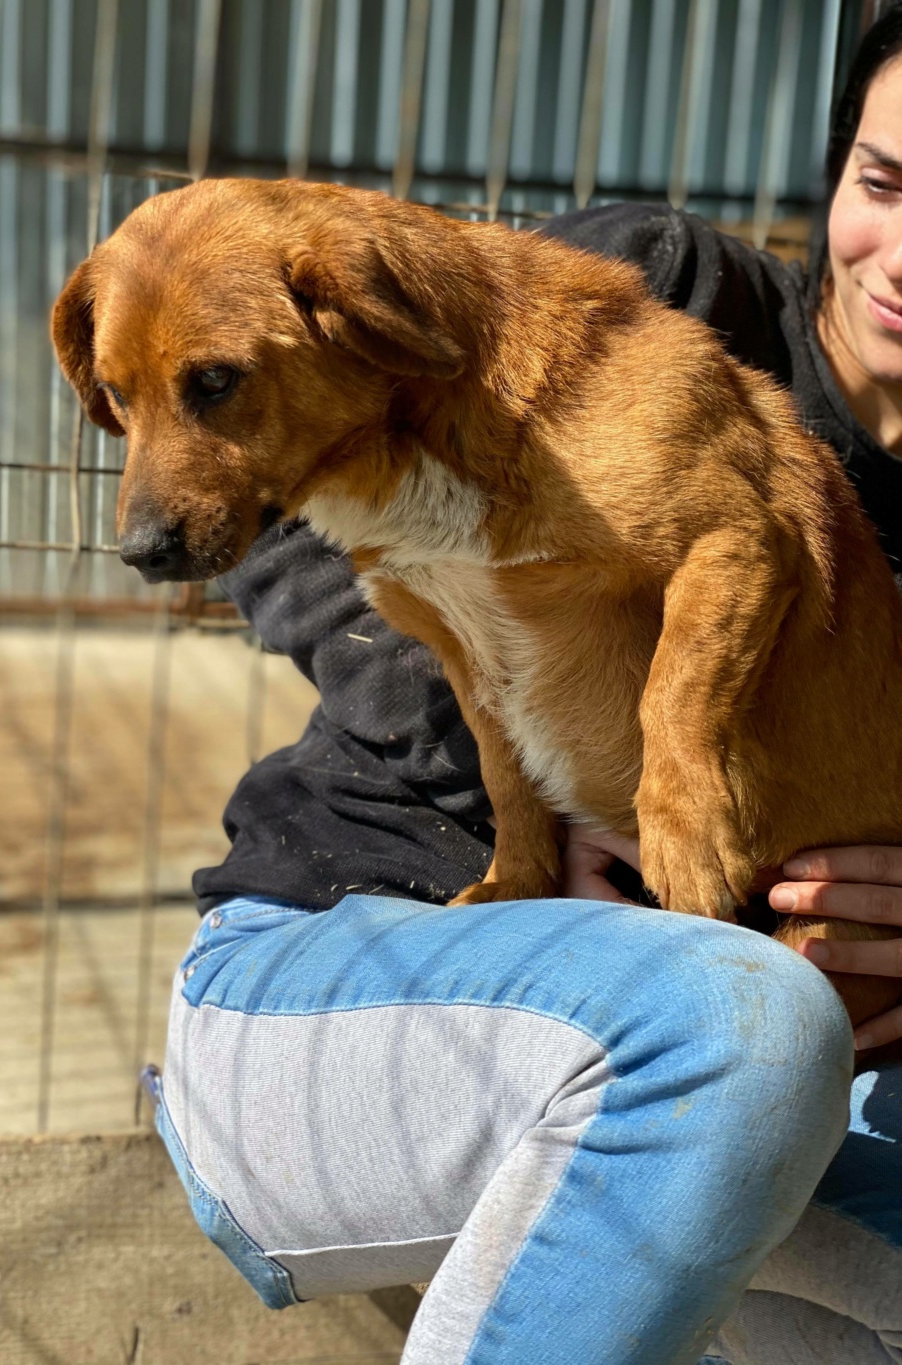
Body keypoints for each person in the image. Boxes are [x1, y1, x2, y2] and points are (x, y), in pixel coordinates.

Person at [150, 13, 902, 1363]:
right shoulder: (651, 292)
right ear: (835, 166)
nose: (901, 253)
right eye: (885, 183)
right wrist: (572, 785)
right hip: (353, 946)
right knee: (752, 1031)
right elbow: (272, 533)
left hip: (696, 1081)